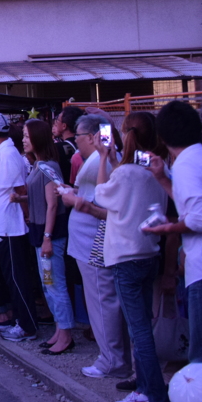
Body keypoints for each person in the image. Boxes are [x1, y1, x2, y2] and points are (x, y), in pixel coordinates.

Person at [63, 111, 176, 402]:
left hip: (126, 257)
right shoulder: (156, 167)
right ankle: (143, 389)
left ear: (128, 134)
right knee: (141, 329)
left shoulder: (126, 172)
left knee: (139, 332)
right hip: (148, 253)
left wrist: (103, 160)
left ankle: (158, 401)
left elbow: (102, 193)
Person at [145, 100, 202, 368]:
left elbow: (200, 218)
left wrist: (167, 228)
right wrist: (164, 179)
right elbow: (196, 208)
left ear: (161, 136)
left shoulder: (187, 164)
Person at [70, 114, 132, 380]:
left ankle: (112, 359)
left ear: (92, 136)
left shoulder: (103, 160)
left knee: (101, 299)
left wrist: (72, 199)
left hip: (95, 241)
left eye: (78, 137)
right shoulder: (100, 159)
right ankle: (113, 357)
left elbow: (103, 202)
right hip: (89, 240)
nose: (76, 142)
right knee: (101, 299)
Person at [0, 112, 39, 343]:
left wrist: (26, 217)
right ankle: (21, 321)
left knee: (17, 277)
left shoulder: (9, 154)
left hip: (12, 227)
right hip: (3, 225)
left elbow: (20, 190)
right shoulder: (0, 153)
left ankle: (27, 325)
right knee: (11, 276)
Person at [18, 119, 73, 355]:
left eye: (27, 136)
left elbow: (53, 205)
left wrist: (48, 237)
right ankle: (60, 331)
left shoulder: (49, 166)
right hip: (40, 231)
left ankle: (67, 335)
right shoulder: (38, 165)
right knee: (48, 283)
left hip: (49, 233)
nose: (24, 140)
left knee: (55, 284)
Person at [52, 106, 84, 183]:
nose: (56, 122)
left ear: (64, 126)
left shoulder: (56, 148)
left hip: (65, 189)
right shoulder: (85, 145)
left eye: (58, 120)